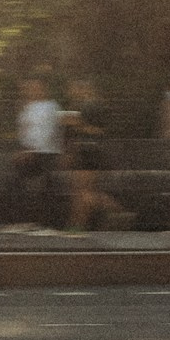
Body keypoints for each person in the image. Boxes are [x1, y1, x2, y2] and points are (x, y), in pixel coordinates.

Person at [0, 75, 64, 231]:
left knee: (27, 183)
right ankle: (26, 222)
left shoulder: (51, 107)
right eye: (29, 87)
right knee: (16, 183)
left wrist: (32, 150)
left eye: (36, 87)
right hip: (30, 151)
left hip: (46, 152)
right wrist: (24, 148)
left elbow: (49, 132)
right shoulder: (27, 106)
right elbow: (25, 130)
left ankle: (40, 223)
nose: (31, 90)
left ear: (43, 89)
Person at [63, 76, 124, 232]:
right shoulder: (82, 106)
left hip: (91, 153)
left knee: (83, 194)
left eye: (74, 88)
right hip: (84, 153)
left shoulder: (94, 105)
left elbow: (96, 130)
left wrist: (77, 123)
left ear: (83, 88)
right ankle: (76, 228)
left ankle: (118, 211)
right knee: (80, 194)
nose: (71, 92)